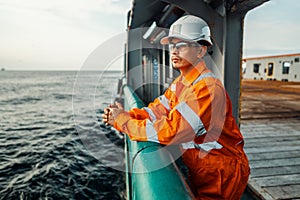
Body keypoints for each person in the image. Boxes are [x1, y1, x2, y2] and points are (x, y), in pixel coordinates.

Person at [102, 15, 250, 200]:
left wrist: (123, 122)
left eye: (182, 45)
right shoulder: (181, 83)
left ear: (201, 50)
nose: (174, 51)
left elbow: (172, 131)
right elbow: (156, 111)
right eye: (172, 45)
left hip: (220, 172)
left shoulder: (207, 88)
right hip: (202, 166)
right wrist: (127, 115)